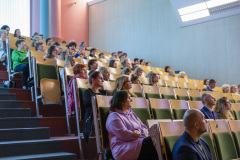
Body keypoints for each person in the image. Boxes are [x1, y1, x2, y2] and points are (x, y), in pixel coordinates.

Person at [106, 90, 158, 160]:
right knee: (153, 142)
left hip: (138, 142)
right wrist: (134, 133)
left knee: (156, 141)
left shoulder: (131, 113)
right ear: (122, 101)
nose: (131, 99)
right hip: (123, 149)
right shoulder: (114, 117)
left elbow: (144, 128)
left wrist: (138, 131)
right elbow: (124, 135)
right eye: (128, 98)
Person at [82, 71, 107, 142]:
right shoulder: (86, 93)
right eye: (100, 78)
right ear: (93, 80)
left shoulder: (103, 92)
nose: (103, 80)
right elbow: (92, 106)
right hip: (92, 118)